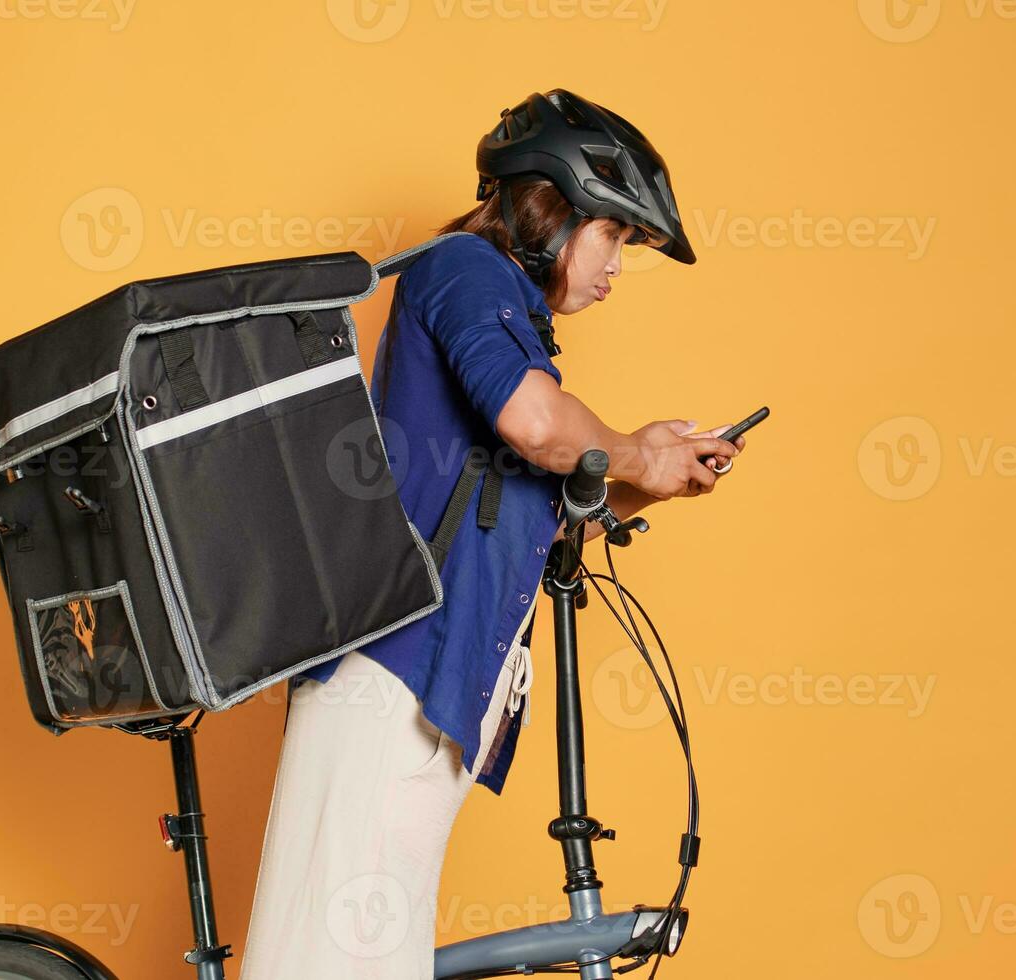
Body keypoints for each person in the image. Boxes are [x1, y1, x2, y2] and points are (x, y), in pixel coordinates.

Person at [239, 89, 745, 979]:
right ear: (551, 208)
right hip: (388, 678)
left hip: (432, 691)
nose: (618, 267)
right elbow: (539, 427)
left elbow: (532, 525)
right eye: (615, 235)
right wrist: (629, 451)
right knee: (326, 965)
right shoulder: (466, 269)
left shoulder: (509, 315)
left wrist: (647, 476)